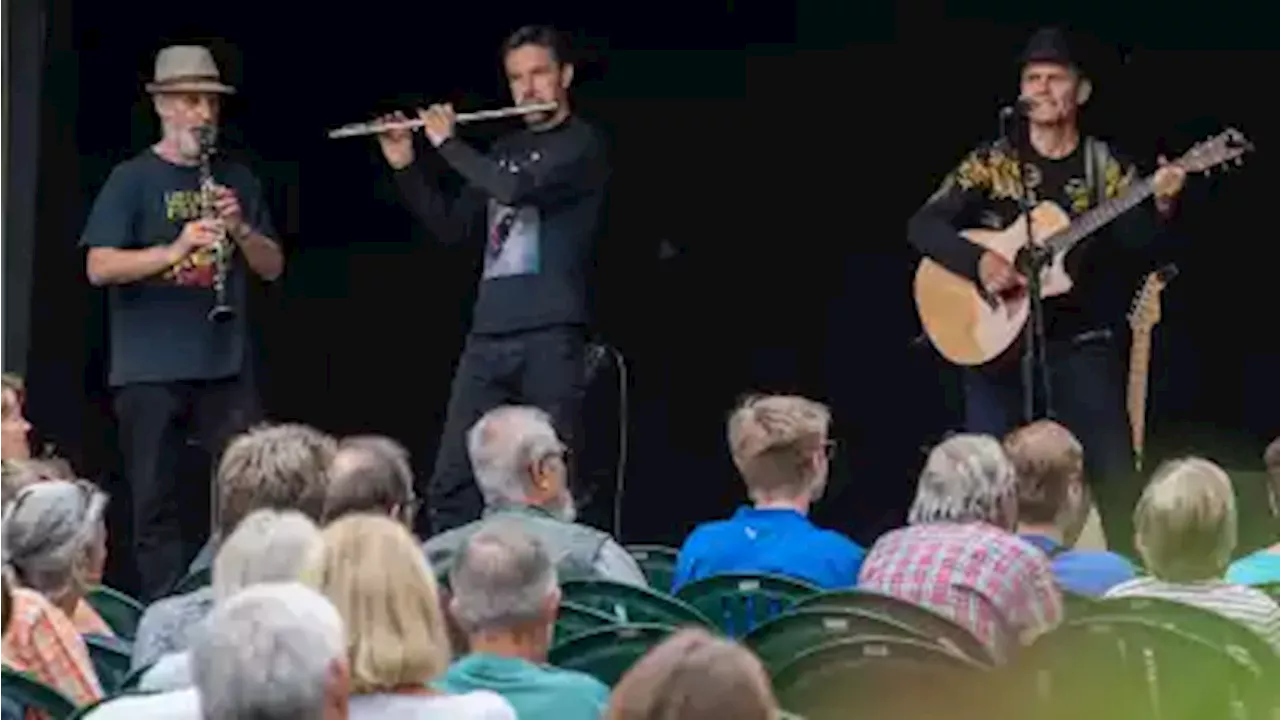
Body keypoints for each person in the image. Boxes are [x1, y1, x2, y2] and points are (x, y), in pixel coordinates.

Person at [905, 28, 1187, 557]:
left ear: (1080, 92)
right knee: (985, 478)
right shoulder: (993, 161)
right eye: (1032, 79)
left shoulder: (1101, 165)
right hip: (994, 349)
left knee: (1113, 474)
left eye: (1055, 78)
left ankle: (1130, 588)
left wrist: (1162, 204)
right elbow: (923, 226)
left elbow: (1137, 243)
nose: (1042, 89)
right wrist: (981, 261)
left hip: (1080, 344)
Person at [375, 25, 609, 536]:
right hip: (489, 334)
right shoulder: (502, 147)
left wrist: (449, 144)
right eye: (516, 78)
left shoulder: (582, 144)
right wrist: (407, 167)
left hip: (552, 332)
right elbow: (450, 228)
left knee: (551, 479)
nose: (527, 88)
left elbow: (515, 188)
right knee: (450, 485)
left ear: (565, 76)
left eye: (539, 74)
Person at [78, 45, 284, 600]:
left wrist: (239, 229)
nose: (203, 115)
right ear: (164, 106)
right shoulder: (132, 178)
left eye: (210, 103)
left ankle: (239, 599)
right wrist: (175, 250)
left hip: (224, 361)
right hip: (149, 365)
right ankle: (164, 616)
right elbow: (99, 267)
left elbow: (272, 267)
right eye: (191, 102)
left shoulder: (236, 177)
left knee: (247, 494)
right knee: (155, 503)